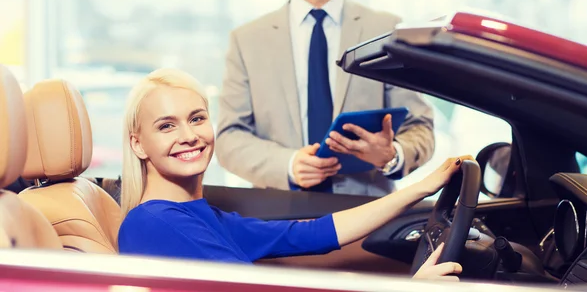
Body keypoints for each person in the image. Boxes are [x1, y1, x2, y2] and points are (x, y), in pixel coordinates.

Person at [118, 68, 468, 281]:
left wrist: (420, 189)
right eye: (167, 126)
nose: (189, 136)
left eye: (196, 118)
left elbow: (313, 233)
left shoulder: (196, 215)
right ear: (138, 145)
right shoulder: (156, 222)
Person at [216, 0, 435, 196]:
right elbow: (229, 138)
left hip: (367, 212)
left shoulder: (386, 32)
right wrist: (288, 163)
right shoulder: (247, 40)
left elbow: (420, 127)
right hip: (279, 213)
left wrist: (392, 154)